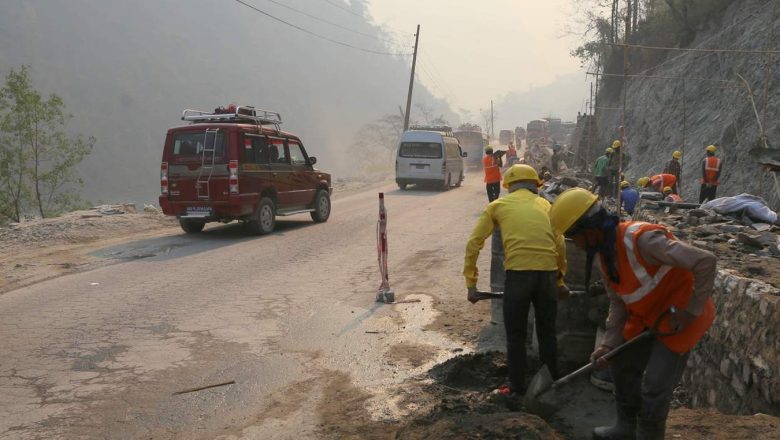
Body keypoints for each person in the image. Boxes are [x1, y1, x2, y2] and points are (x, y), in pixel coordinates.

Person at [549, 188, 716, 440]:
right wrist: (607, 346)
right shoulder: (604, 257)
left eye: (574, 237)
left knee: (655, 386)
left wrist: (690, 311)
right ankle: (625, 427)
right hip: (646, 316)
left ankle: (649, 435)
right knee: (622, 364)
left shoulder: (643, 240)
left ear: (589, 230)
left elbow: (705, 261)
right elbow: (618, 304)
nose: (577, 245)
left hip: (678, 318)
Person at [464, 164, 568, 394]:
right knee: (547, 333)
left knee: (516, 336)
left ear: (509, 186)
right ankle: (550, 386)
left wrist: (471, 284)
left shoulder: (498, 205)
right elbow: (560, 244)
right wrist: (560, 281)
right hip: (547, 275)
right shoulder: (546, 205)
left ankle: (516, 388)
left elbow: (474, 243)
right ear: (535, 185)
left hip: (518, 276)